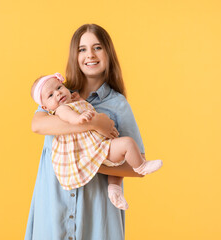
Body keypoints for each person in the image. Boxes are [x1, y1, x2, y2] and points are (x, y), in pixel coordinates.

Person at [25, 24, 154, 240]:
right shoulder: (57, 94)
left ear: (108, 53)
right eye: (82, 49)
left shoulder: (117, 104)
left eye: (97, 47)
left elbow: (138, 167)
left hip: (97, 214)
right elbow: (37, 125)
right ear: (74, 56)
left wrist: (88, 164)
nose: (90, 55)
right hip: (52, 208)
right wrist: (94, 124)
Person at [30, 73, 162, 210]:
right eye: (50, 95)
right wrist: (81, 120)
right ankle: (141, 166)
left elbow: (85, 107)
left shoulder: (78, 102)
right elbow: (70, 117)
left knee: (118, 164)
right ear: (45, 107)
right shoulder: (62, 109)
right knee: (127, 144)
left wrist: (79, 100)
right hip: (92, 149)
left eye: (59, 87)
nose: (57, 94)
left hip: (99, 145)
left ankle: (115, 189)